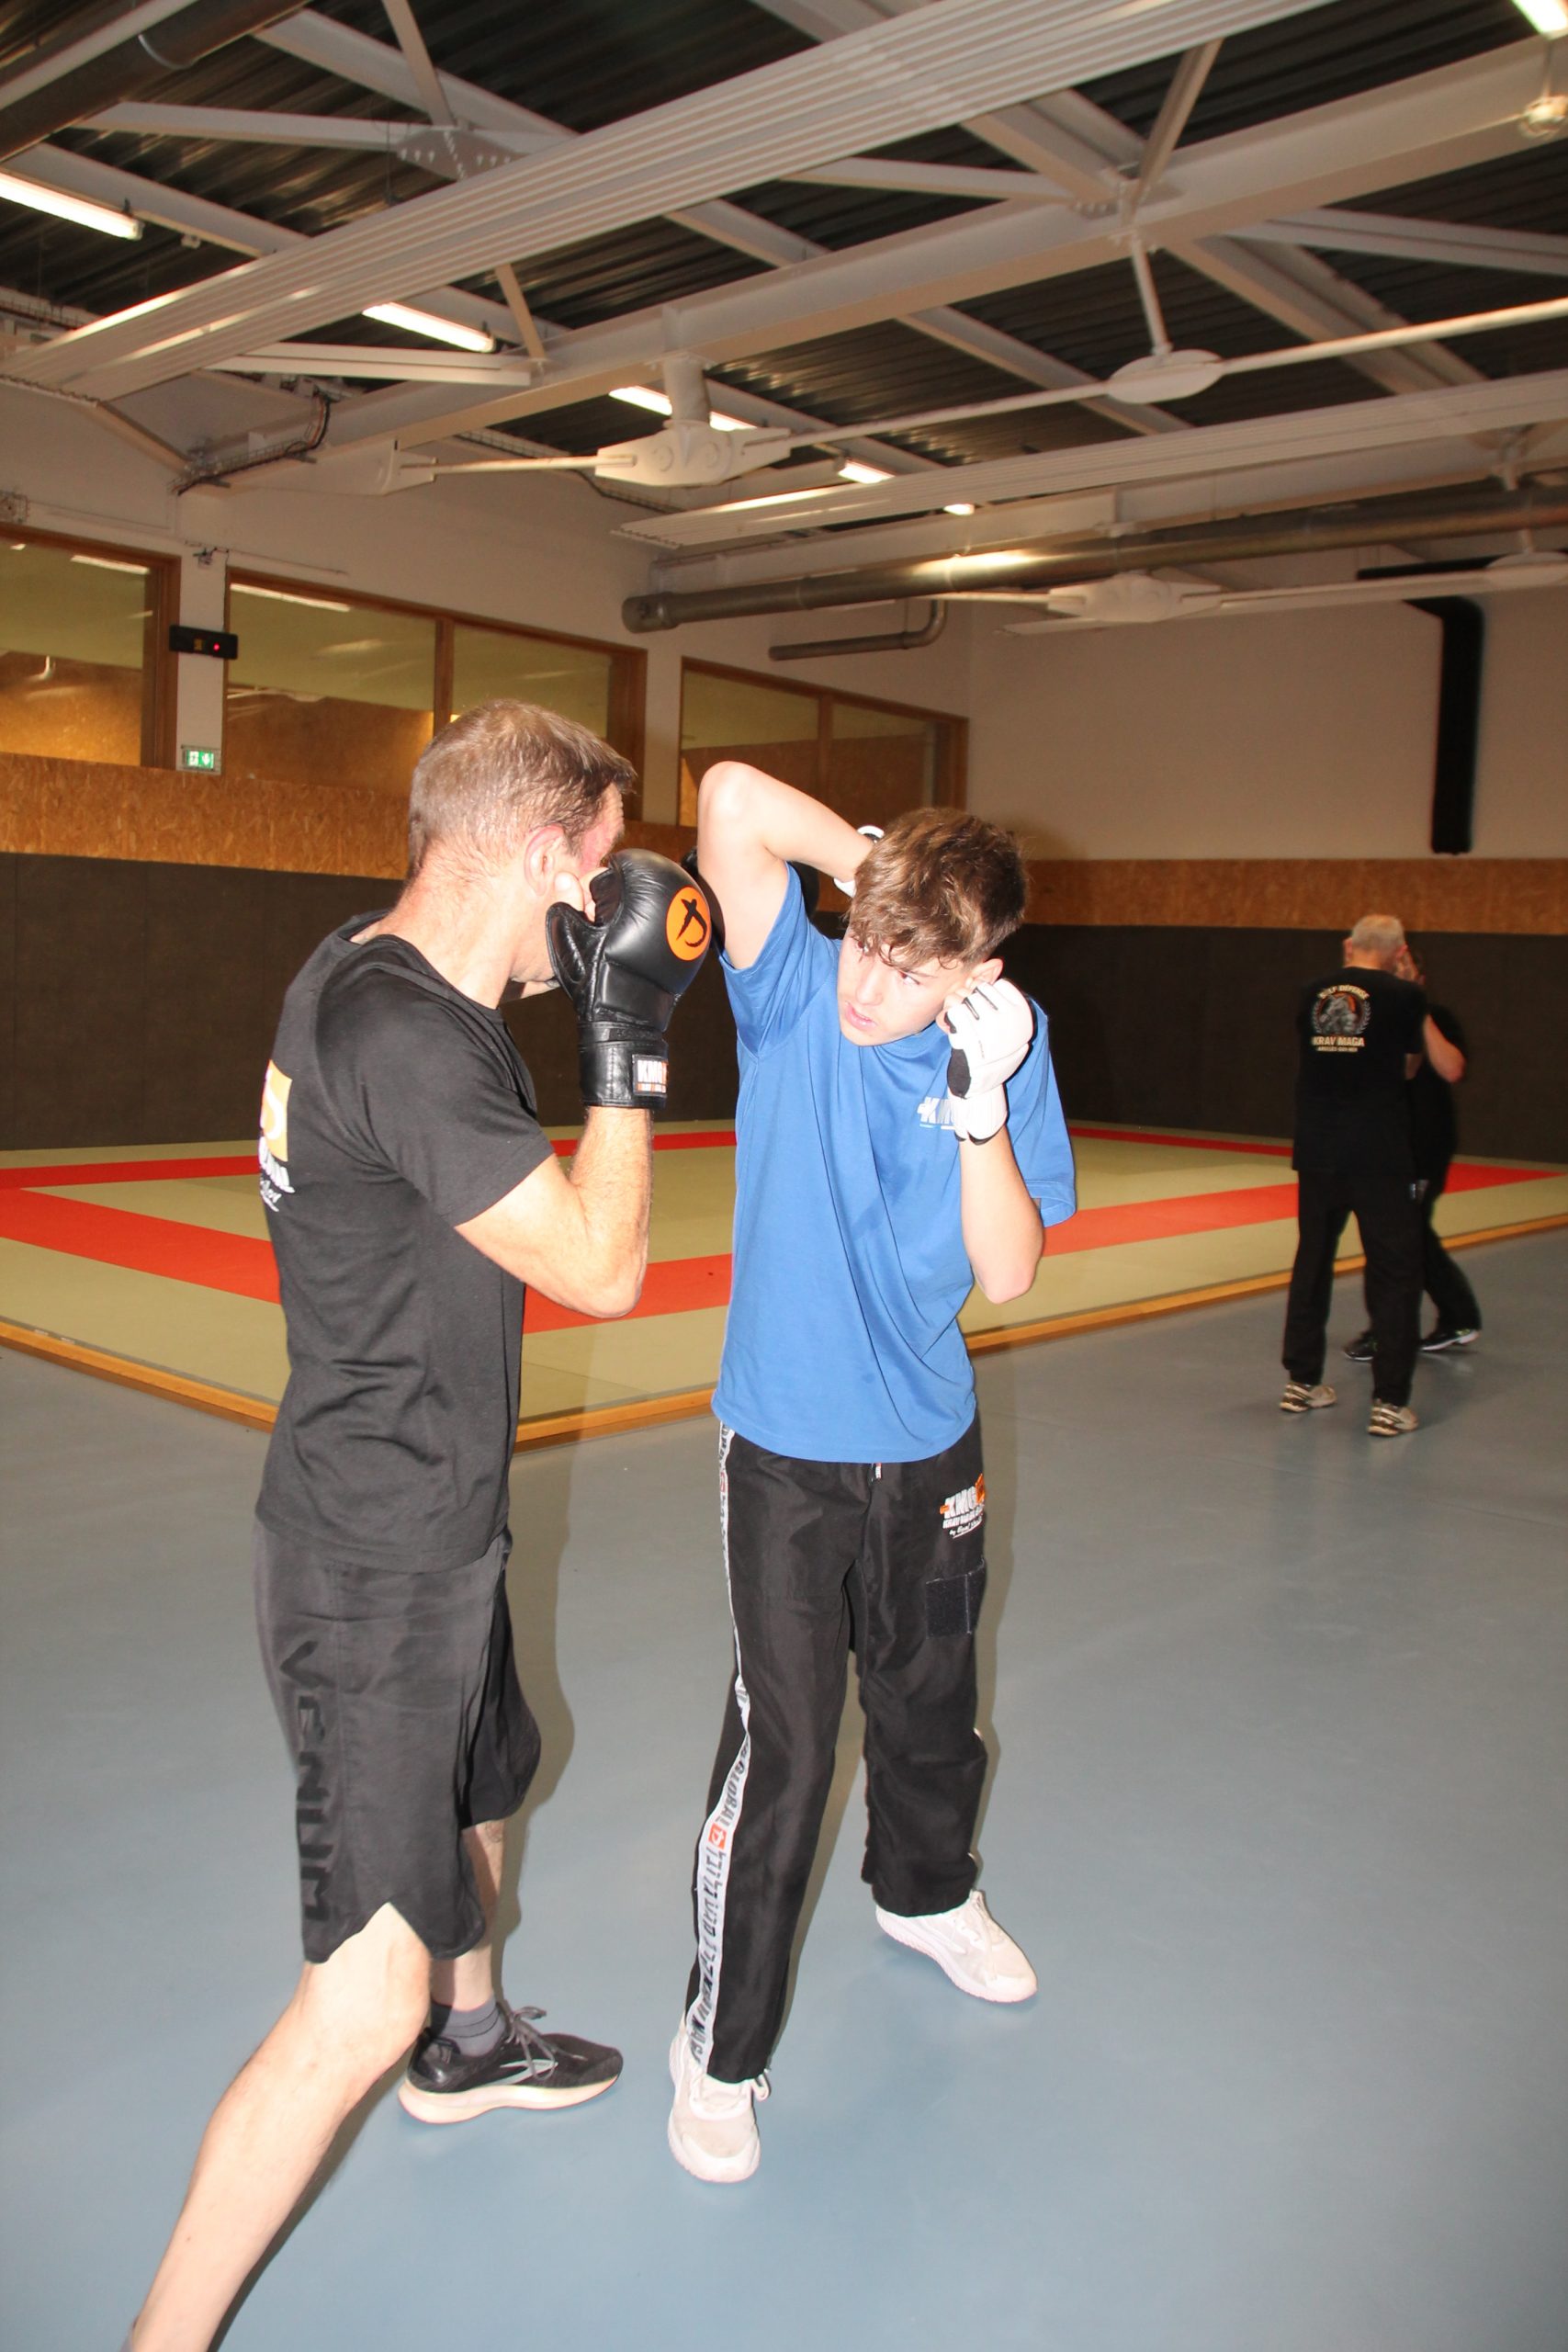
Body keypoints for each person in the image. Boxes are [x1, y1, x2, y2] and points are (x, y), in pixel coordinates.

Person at [127, 700, 711, 2351]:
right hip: (371, 1564)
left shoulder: (383, 975)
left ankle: (471, 2041)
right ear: (538, 857)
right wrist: (628, 1039)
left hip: (437, 1514)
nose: (602, 907)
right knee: (357, 1999)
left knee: (491, 1775)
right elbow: (602, 1267)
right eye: (594, 874)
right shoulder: (403, 1036)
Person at [668, 764, 1077, 2186]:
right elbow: (728, 797)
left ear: (977, 975)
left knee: (929, 1710)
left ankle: (924, 1896)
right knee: (782, 1753)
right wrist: (876, 877)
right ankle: (719, 2050)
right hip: (785, 1449)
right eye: (865, 944)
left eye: (911, 968)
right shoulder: (791, 991)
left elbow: (1007, 1271)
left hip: (928, 1441)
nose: (868, 984)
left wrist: (979, 1113)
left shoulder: (1005, 1051)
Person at [1280, 913, 1426, 1437]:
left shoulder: (1311, 992)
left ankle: (1301, 1381)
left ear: (1349, 945)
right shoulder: (1404, 994)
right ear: (1400, 952)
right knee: (1394, 1270)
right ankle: (1389, 1401)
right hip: (1377, 1151)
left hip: (1318, 1144)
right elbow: (1409, 1067)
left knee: (1313, 1259)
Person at [1343, 943, 1479, 1363]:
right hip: (1381, 1144)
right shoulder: (1372, 1020)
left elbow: (1451, 1068)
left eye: (1406, 972)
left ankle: (1387, 1330)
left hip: (1423, 1146)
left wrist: (1416, 1008)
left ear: (1421, 979)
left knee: (1394, 1237)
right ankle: (1457, 1315)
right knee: (1406, 1235)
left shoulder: (1437, 1018)